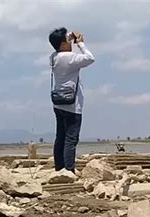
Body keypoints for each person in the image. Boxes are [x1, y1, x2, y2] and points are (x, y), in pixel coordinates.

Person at [48, 27, 95, 173]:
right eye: (67, 40)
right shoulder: (68, 58)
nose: (70, 42)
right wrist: (80, 43)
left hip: (58, 103)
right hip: (72, 106)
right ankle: (69, 170)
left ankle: (59, 169)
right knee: (71, 139)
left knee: (60, 138)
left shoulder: (53, 57)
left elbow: (64, 47)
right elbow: (89, 58)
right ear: (62, 45)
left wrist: (68, 37)